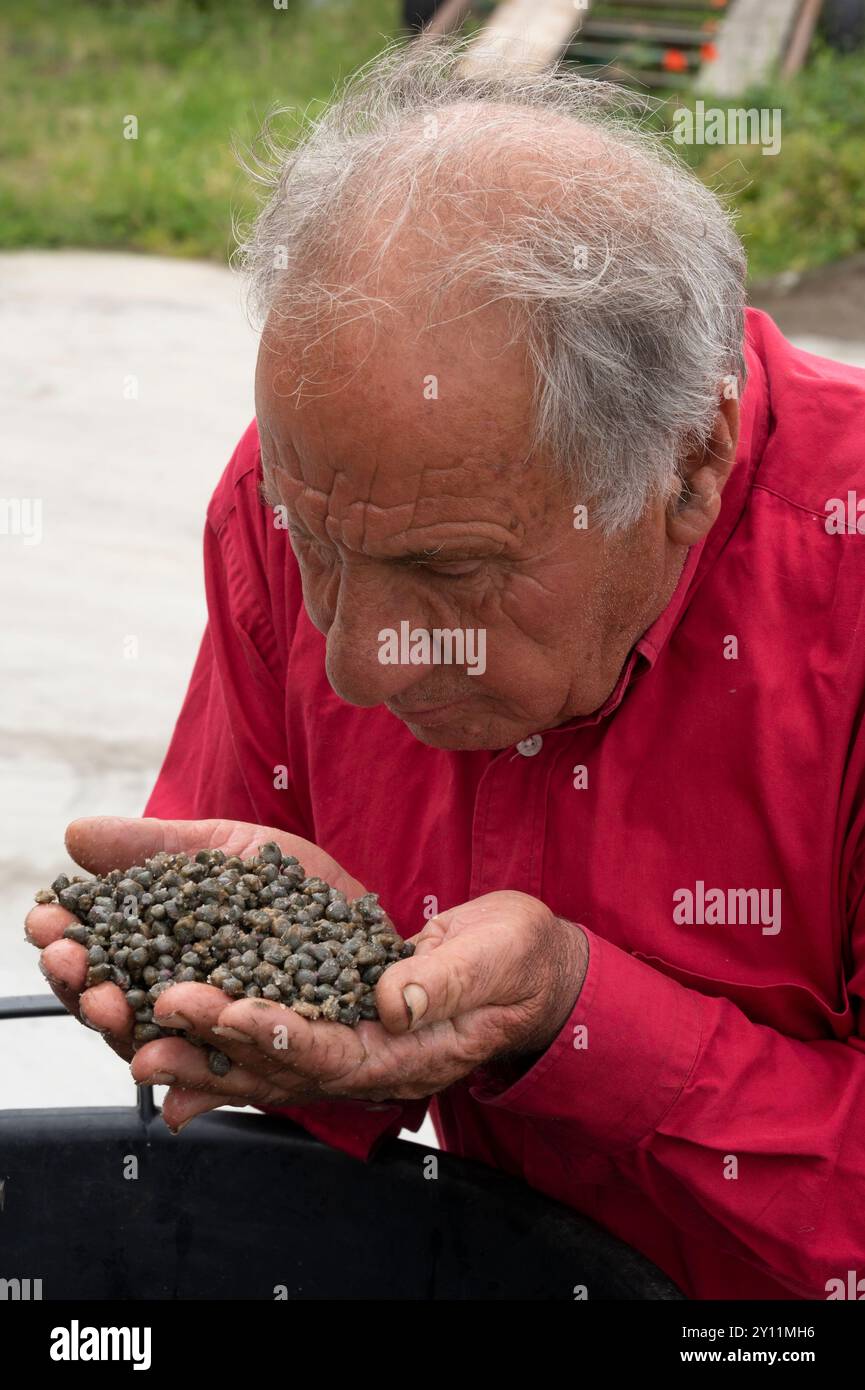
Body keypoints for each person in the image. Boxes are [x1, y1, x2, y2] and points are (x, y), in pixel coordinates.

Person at [26, 39, 865, 1299]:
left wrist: (576, 1013)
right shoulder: (303, 484)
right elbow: (245, 1053)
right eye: (317, 549)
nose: (356, 663)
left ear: (687, 467)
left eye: (451, 574)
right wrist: (293, 1044)